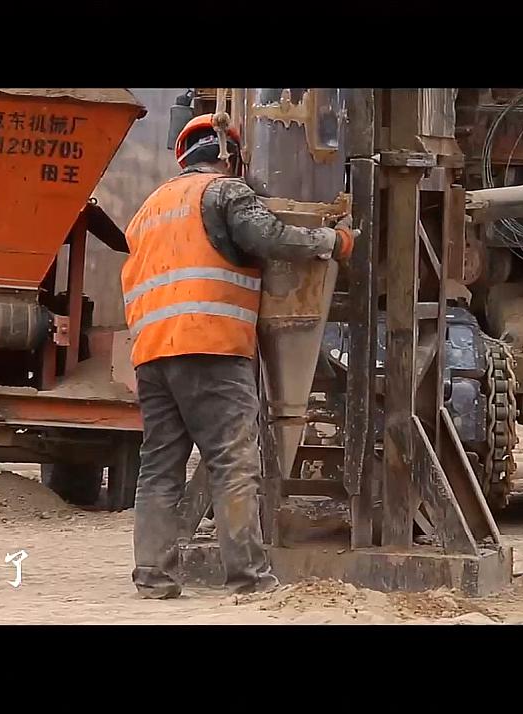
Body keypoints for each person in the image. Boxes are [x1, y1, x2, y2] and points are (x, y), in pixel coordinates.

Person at [121, 113, 358, 598]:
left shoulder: (149, 208)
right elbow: (268, 237)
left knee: (160, 467)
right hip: (210, 345)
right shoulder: (226, 193)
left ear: (182, 157)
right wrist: (331, 242)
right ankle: (249, 578)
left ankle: (153, 576)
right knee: (233, 461)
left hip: (151, 353)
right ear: (228, 154)